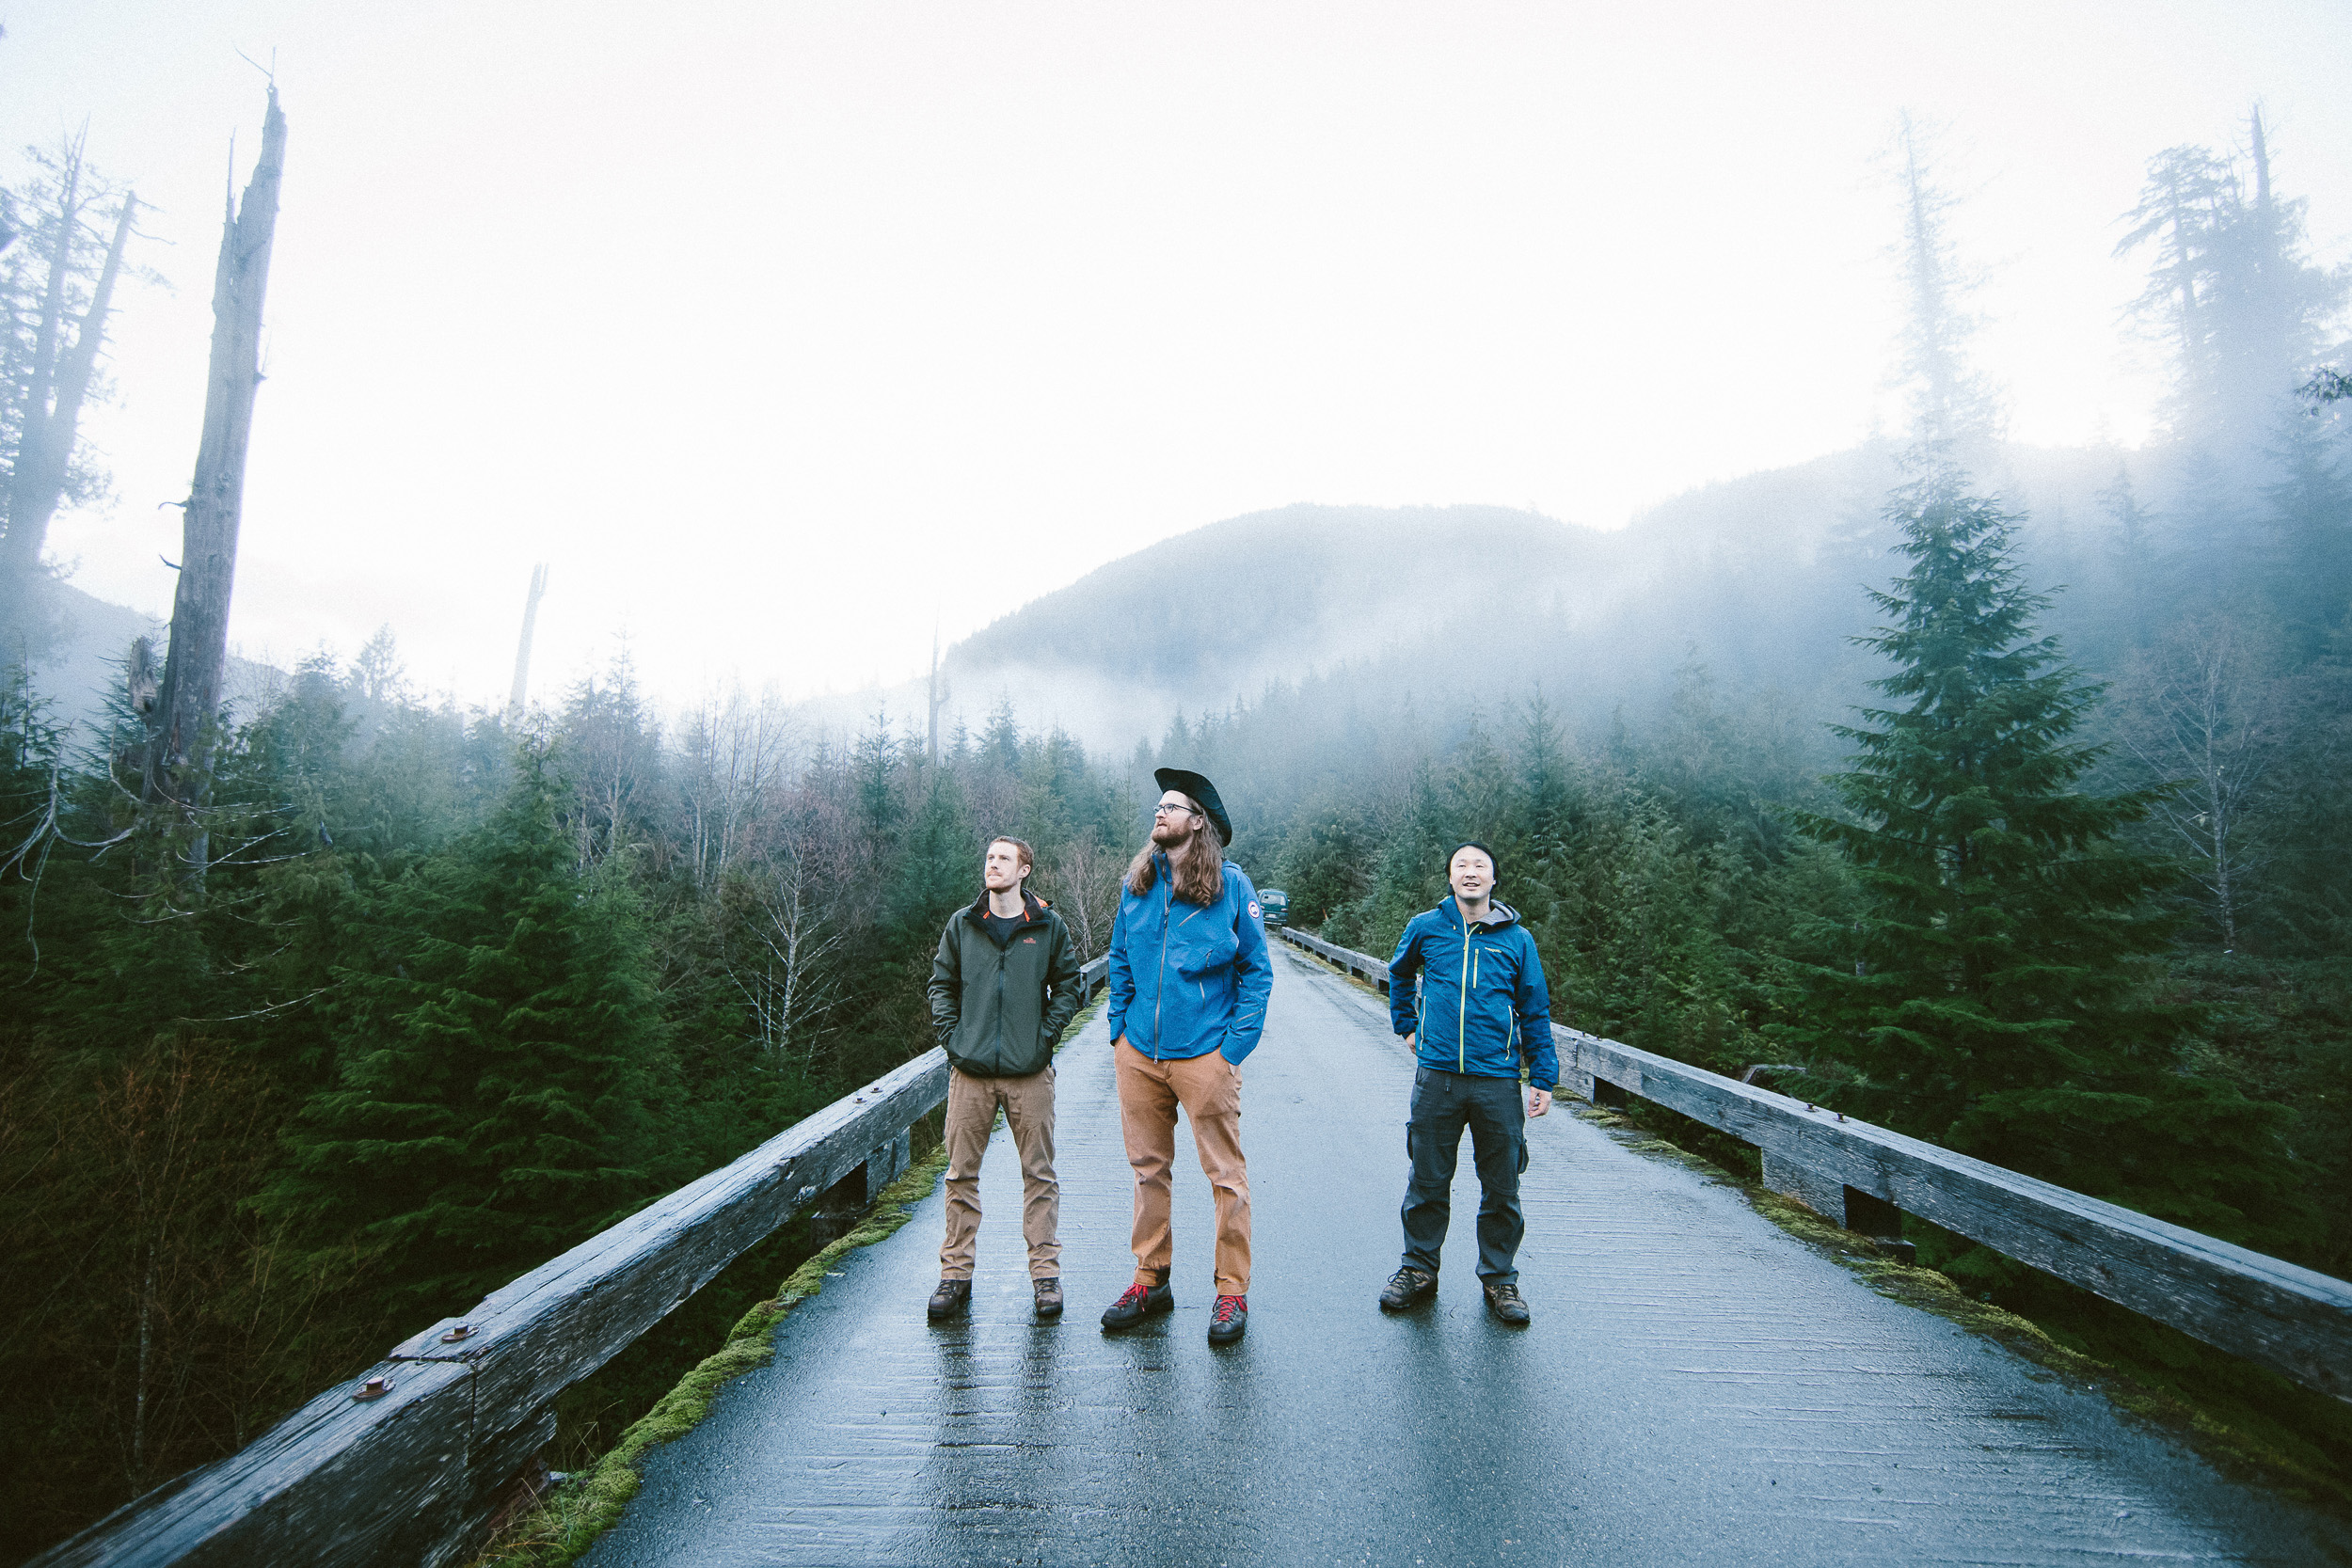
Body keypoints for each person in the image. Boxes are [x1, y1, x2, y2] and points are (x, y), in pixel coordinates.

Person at [1101, 768, 1273, 1344]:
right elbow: (1119, 957)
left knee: (1225, 1175)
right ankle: (1151, 1278)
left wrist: (1232, 1050)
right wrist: (1118, 1032)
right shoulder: (1139, 883)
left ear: (1198, 822)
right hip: (1140, 1054)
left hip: (1205, 1054)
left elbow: (1257, 974)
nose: (1160, 812)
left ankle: (1230, 1292)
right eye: (1158, 805)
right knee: (1148, 1170)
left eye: (1172, 806)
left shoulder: (1232, 886)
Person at [1378, 841, 1557, 1325]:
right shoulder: (1426, 928)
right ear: (1450, 878)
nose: (1471, 873)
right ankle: (1418, 1269)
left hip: (1496, 1080)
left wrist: (1542, 1076)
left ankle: (1500, 1279)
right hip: (1436, 1077)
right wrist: (1409, 1026)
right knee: (1428, 1179)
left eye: (1480, 866)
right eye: (1462, 866)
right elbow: (1398, 976)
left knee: (1502, 1186)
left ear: (1494, 879)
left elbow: (1534, 1010)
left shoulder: (1517, 940)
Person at [926, 835, 1087, 1323]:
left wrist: (1044, 1038)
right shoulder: (963, 924)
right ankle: (955, 1276)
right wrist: (954, 1040)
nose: (992, 865)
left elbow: (1070, 984)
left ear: (1024, 871)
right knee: (959, 1176)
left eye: (1003, 859)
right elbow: (941, 985)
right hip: (970, 1074)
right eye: (989, 858)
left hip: (1029, 1074)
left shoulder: (1046, 926)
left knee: (1039, 1175)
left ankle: (1045, 1278)